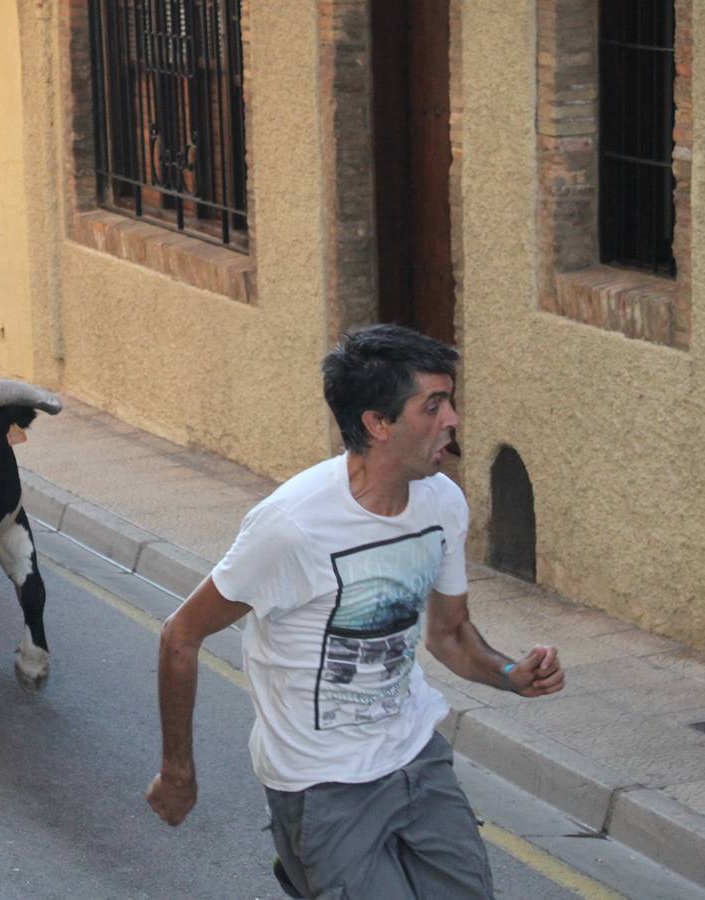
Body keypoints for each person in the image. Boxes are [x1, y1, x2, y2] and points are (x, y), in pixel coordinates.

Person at [147, 325, 566, 899]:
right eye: (434, 405)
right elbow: (181, 635)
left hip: (416, 759)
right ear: (378, 423)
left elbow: (450, 635)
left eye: (450, 401)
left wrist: (509, 676)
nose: (454, 420)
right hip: (322, 785)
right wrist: (178, 772)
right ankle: (306, 863)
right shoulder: (292, 525)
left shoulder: (441, 502)